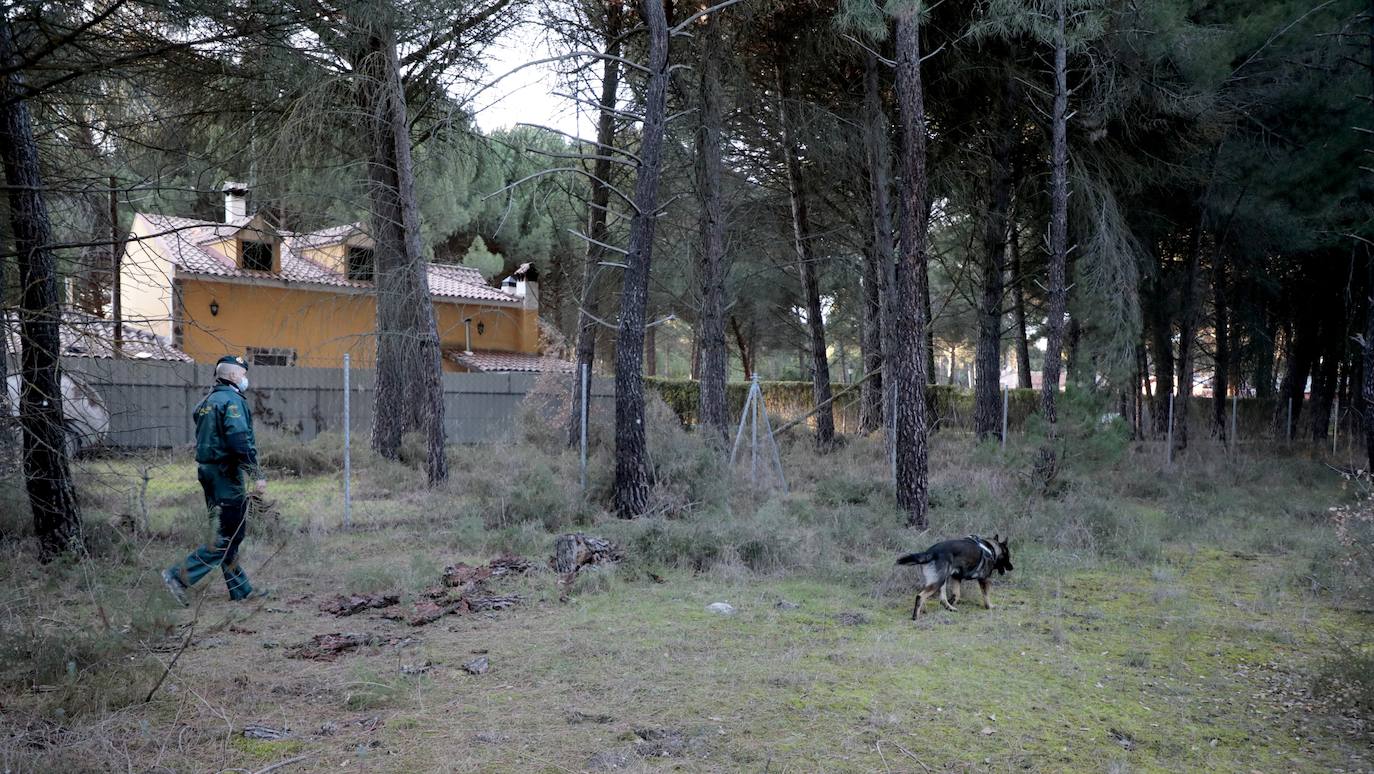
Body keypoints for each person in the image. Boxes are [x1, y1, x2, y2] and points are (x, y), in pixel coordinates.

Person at [162, 355, 268, 605]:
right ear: (232, 376)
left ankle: (241, 590)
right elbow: (239, 439)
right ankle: (178, 576)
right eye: (242, 374)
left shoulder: (205, 402)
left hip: (207, 473)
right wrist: (256, 473)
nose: (244, 379)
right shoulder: (232, 401)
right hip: (226, 475)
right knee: (230, 535)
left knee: (223, 531)